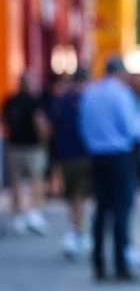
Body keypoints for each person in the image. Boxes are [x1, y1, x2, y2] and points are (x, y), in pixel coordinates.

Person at [79, 56, 140, 282]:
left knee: (101, 212)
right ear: (120, 72)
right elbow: (131, 128)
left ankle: (98, 263)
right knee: (121, 213)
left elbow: (84, 126)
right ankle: (120, 265)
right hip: (119, 156)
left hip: (97, 157)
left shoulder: (90, 93)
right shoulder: (121, 94)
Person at [48, 67, 92, 257]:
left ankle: (75, 229)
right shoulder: (88, 100)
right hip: (83, 153)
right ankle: (76, 231)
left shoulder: (63, 99)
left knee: (72, 195)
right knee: (79, 196)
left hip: (66, 154)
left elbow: (49, 123)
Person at [2, 73, 51, 235]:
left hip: (14, 145)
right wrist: (45, 143)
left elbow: (4, 121)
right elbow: (40, 122)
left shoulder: (10, 101)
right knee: (36, 179)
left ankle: (18, 215)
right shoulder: (34, 102)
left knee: (16, 182)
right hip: (32, 146)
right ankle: (33, 212)